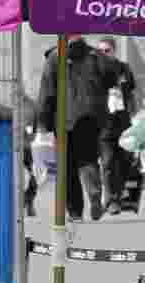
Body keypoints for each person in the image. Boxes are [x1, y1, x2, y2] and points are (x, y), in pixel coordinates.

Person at [37, 35, 119, 222]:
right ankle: (94, 194)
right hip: (91, 117)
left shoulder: (54, 57)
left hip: (63, 119)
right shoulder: (96, 56)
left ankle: (75, 212)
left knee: (67, 166)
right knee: (88, 158)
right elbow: (112, 79)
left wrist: (43, 123)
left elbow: (47, 93)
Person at [95, 37, 137, 215]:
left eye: (107, 51)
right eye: (100, 51)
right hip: (104, 123)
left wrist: (134, 115)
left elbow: (132, 93)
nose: (103, 54)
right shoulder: (94, 69)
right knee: (108, 161)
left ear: (113, 51)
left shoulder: (124, 68)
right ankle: (111, 200)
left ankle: (116, 197)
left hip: (123, 122)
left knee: (125, 162)